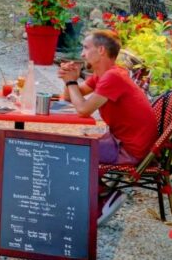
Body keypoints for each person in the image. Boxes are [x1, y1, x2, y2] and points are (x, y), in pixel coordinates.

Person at [58, 28, 158, 224]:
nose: (82, 54)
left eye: (86, 48)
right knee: (74, 145)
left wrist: (71, 82)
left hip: (129, 149)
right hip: (120, 140)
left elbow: (83, 110)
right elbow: (71, 97)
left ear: (101, 50)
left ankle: (104, 198)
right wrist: (69, 79)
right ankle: (98, 195)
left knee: (74, 152)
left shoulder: (113, 77)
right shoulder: (104, 74)